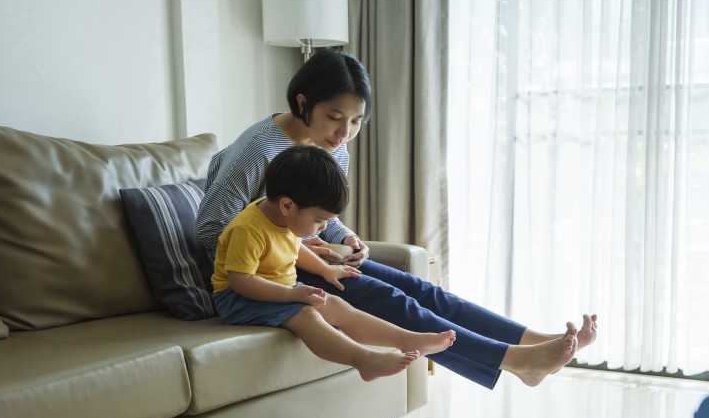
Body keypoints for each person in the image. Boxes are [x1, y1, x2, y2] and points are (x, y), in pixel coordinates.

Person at [197, 49, 595, 389]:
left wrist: (347, 239)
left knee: (421, 288)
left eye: (355, 122)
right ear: (303, 103)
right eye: (335, 117)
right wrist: (296, 244)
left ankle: (527, 340)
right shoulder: (258, 148)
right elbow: (210, 230)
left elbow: (323, 215)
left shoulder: (332, 149)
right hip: (255, 275)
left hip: (297, 255)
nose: (344, 132)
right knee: (391, 299)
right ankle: (515, 361)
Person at [212, 144, 456, 382]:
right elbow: (241, 280)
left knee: (338, 306)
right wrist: (292, 295)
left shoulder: (282, 218)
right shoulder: (248, 229)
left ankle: (407, 339)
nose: (324, 228)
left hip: (278, 289)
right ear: (288, 205)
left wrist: (325, 269)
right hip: (238, 298)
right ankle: (364, 360)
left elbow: (294, 247)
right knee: (307, 315)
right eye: (319, 220)